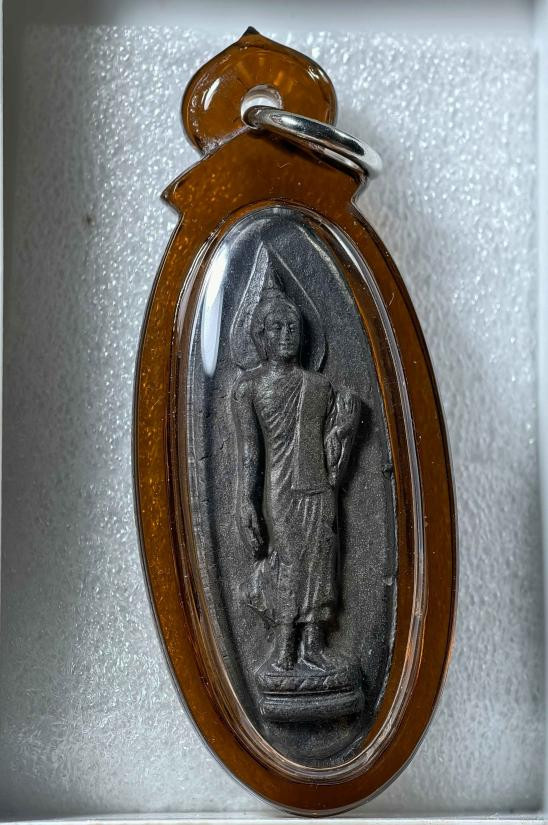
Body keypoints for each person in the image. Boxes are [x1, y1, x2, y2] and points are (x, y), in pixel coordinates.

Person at [232, 271, 359, 671]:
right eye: (277, 327)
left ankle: (313, 645)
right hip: (281, 489)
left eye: (293, 327)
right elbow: (249, 452)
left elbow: (332, 449)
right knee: (289, 559)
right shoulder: (249, 388)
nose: (287, 335)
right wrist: (245, 501)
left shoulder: (318, 386)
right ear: (261, 337)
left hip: (318, 485)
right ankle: (285, 646)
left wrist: (343, 427)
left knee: (321, 558)